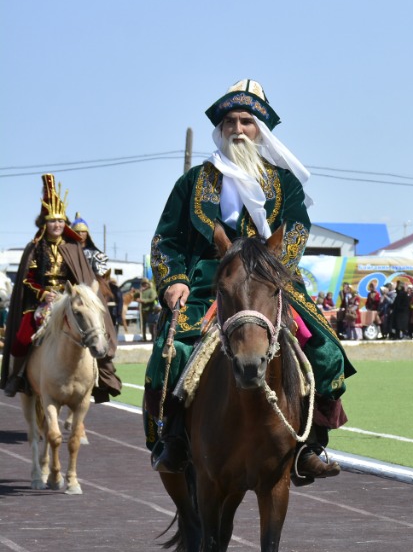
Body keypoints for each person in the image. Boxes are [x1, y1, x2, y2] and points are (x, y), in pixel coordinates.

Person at [146, 80, 355, 483]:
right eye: (230, 122)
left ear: (261, 129)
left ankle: (309, 445)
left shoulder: (285, 184)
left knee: (325, 349)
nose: (238, 129)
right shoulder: (193, 182)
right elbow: (165, 240)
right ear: (220, 129)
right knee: (168, 352)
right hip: (207, 283)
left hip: (268, 282)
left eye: (246, 121)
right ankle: (172, 438)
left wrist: (271, 272)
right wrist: (172, 280)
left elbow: (295, 230)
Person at [3, 175, 122, 402]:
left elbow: (81, 276)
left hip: (69, 299)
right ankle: (17, 376)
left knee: (91, 327)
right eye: (52, 220)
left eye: (60, 221)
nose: (57, 225)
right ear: (44, 223)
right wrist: (43, 293)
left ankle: (99, 378)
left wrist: (78, 295)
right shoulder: (36, 248)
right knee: (21, 338)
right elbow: (27, 278)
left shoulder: (73, 248)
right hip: (41, 302)